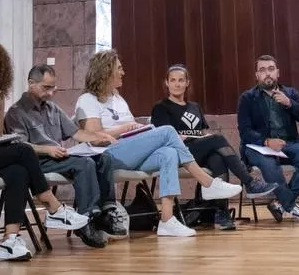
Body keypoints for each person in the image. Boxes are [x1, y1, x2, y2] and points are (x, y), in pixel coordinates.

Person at [0, 39, 91, 260]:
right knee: (23, 150)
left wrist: (0, 139)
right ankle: (53, 207)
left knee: (18, 172)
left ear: (0, 63)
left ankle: (10, 239)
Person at [76, 50, 241, 238]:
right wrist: (125, 127)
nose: (123, 72)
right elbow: (93, 136)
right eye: (119, 68)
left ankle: (167, 220)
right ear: (106, 71)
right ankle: (207, 182)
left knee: (169, 153)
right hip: (107, 154)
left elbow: (129, 129)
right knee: (168, 131)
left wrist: (138, 129)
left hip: (131, 150)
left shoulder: (117, 98)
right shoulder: (87, 99)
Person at [4, 64, 129, 248]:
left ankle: (105, 211)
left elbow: (76, 133)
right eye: (46, 88)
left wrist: (100, 137)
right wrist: (48, 150)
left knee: (105, 157)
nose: (51, 93)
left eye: (53, 87)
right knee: (85, 164)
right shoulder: (16, 112)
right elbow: (20, 146)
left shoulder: (52, 109)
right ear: (31, 83)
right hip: (39, 161)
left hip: (61, 156)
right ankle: (86, 219)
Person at [149, 64, 278, 231]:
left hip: (196, 152)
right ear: (166, 83)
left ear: (187, 83)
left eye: (181, 80)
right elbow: (165, 138)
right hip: (176, 154)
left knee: (218, 158)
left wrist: (202, 138)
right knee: (217, 139)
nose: (177, 84)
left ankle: (221, 212)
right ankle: (249, 182)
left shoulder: (194, 107)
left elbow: (202, 132)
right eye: (172, 80)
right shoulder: (161, 107)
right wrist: (193, 137)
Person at [237, 55, 299, 223]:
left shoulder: (290, 93)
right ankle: (292, 208)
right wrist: (267, 142)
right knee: (270, 165)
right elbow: (245, 132)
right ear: (257, 75)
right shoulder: (247, 98)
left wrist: (289, 103)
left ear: (277, 73)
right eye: (262, 70)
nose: (267, 73)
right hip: (258, 147)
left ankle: (280, 203)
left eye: (270, 69)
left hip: (289, 144)